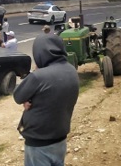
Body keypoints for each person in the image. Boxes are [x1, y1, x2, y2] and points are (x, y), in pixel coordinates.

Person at [13, 34, 79, 166]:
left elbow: (18, 96)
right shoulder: (71, 71)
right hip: (60, 138)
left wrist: (36, 72)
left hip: (39, 143)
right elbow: (51, 95)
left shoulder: (39, 76)